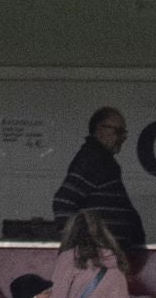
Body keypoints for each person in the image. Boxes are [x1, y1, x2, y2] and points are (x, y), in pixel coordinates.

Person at [49, 107, 144, 255]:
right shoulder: (92, 158)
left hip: (107, 255)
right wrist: (80, 245)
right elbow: (63, 201)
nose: (123, 138)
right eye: (118, 131)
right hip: (97, 258)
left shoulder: (101, 160)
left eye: (123, 132)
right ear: (99, 129)